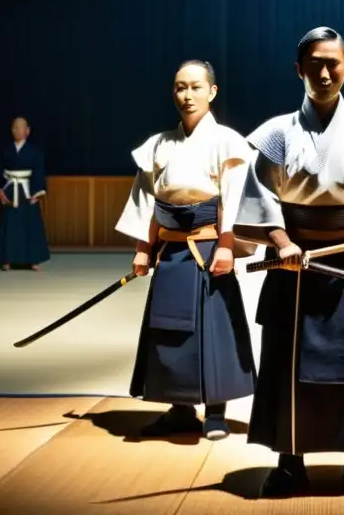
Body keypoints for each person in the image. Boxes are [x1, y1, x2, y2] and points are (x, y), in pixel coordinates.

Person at [234, 26, 344, 498]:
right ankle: (289, 462)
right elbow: (261, 197)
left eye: (334, 62)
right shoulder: (275, 134)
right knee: (289, 365)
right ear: (299, 69)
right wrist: (279, 239)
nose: (325, 71)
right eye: (315, 62)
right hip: (293, 265)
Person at [115, 60, 257, 440]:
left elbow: (233, 197)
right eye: (180, 87)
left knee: (214, 329)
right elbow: (146, 201)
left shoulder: (227, 141)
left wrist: (226, 245)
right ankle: (179, 406)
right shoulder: (158, 145)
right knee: (169, 329)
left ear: (212, 92)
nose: (187, 95)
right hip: (172, 252)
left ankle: (215, 412)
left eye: (195, 87)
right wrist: (144, 248)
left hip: (210, 248)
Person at [0, 116, 50, 271]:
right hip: (9, 189)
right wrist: (0, 189)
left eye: (20, 127)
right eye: (14, 127)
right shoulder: (5, 150)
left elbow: (39, 172)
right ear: (12, 130)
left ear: (27, 131)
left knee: (30, 224)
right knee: (8, 223)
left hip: (27, 190)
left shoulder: (35, 152)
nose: (17, 130)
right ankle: (6, 259)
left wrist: (36, 193)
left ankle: (33, 260)